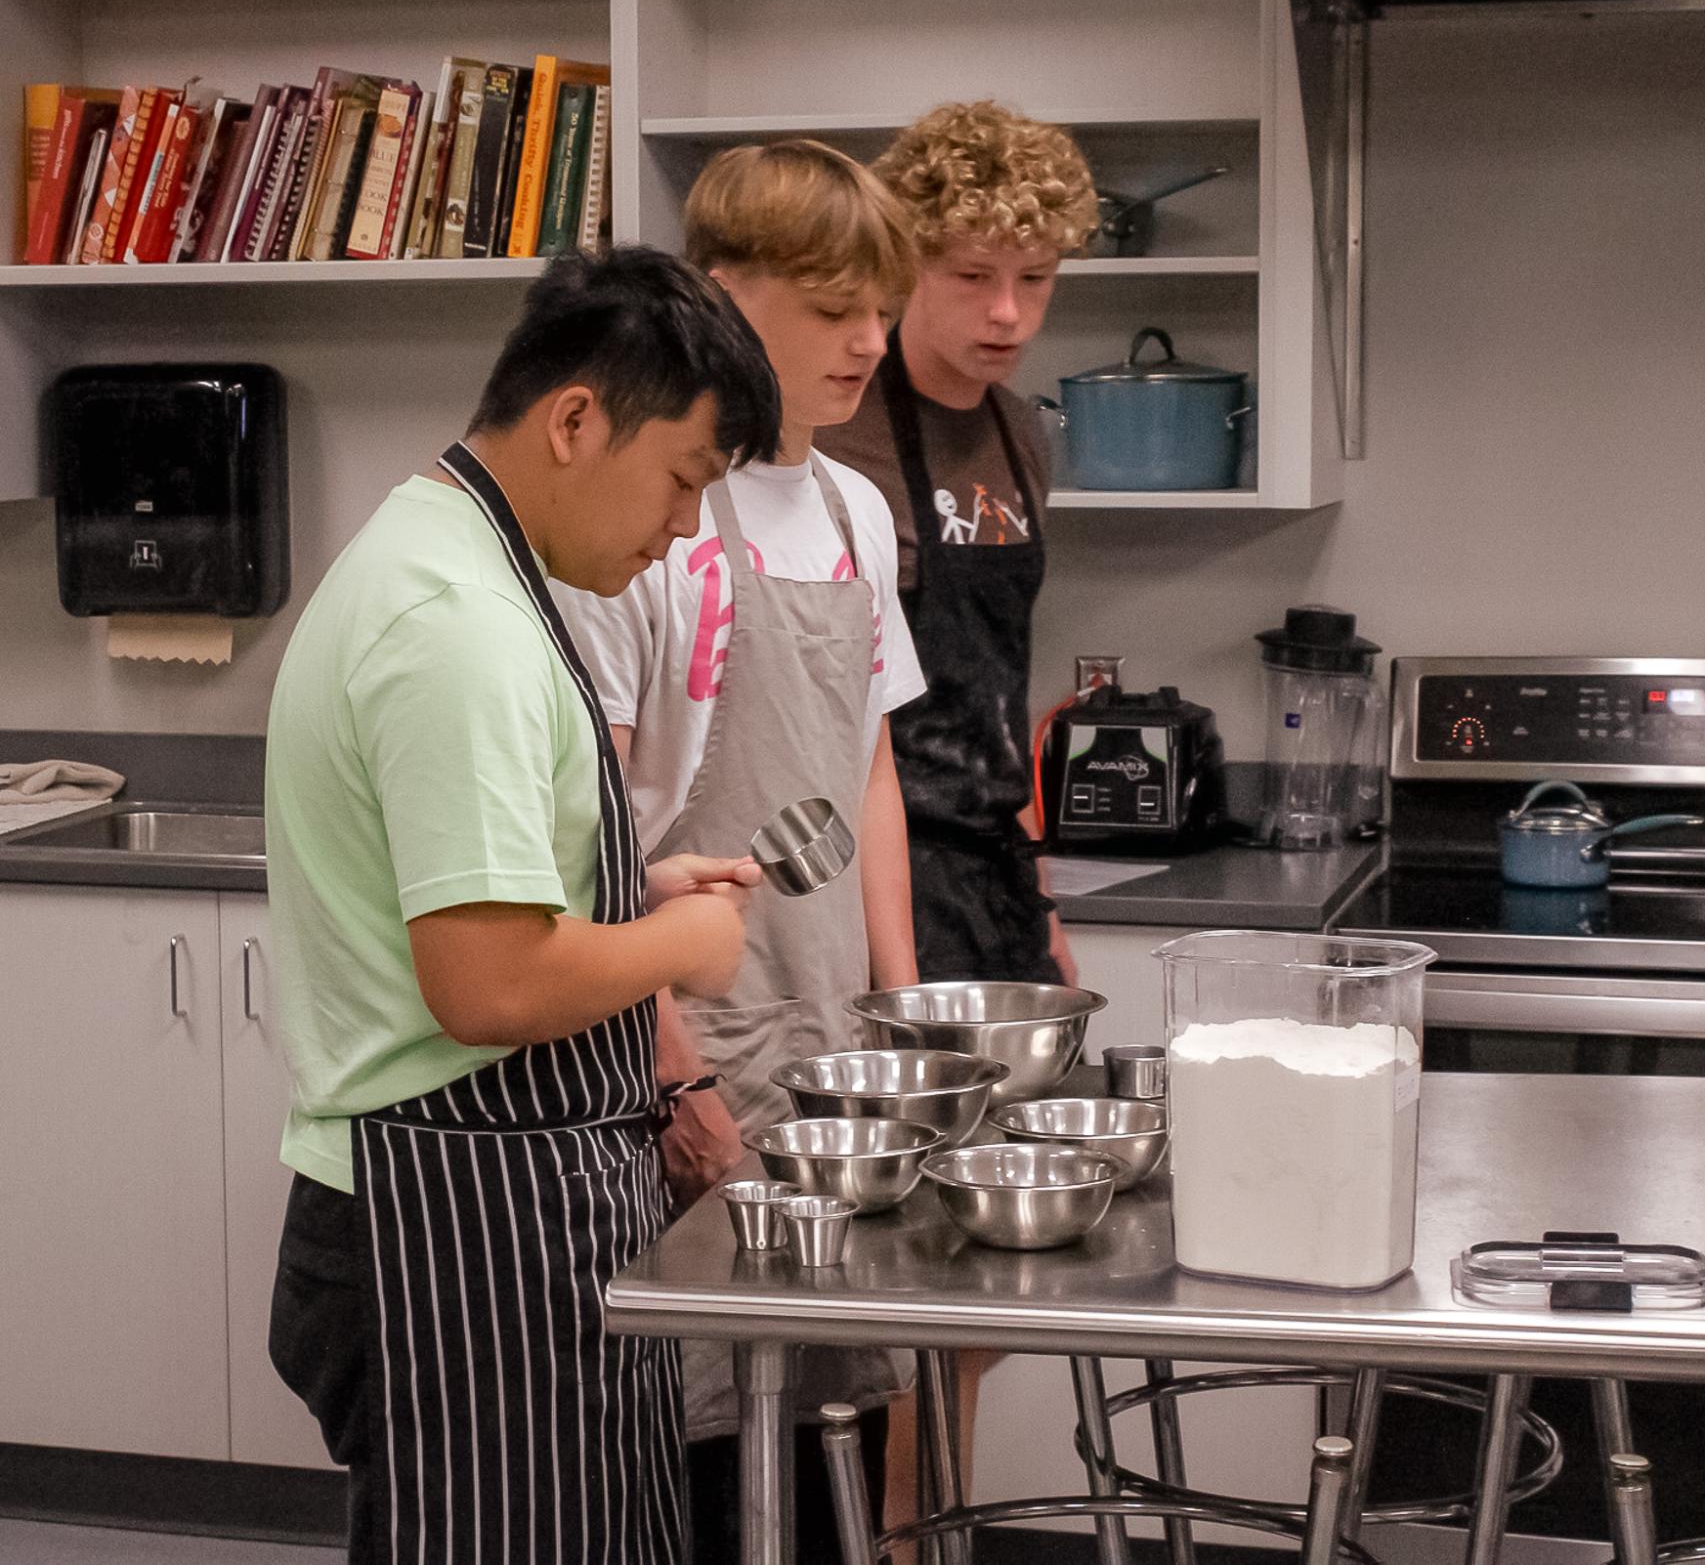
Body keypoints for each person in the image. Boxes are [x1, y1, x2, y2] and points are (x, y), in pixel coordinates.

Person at [262, 247, 782, 1564]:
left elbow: (454, 890)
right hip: (451, 1228)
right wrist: (686, 939)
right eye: (682, 482)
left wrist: (627, 883)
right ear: (574, 420)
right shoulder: (458, 626)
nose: (681, 532)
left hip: (483, 1211)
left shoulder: (452, 555)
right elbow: (485, 986)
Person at [553, 140, 924, 1563]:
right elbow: (591, 841)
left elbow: (865, 760)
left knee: (842, 1406)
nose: (868, 342)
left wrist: (902, 1014)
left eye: (878, 308)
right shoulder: (656, 518)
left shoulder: (853, 509)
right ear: (723, 295)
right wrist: (676, 1069)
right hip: (688, 1025)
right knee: (710, 1429)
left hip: (832, 1025)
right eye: (834, 305)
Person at [817, 99, 1099, 990]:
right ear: (907, 266)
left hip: (997, 870)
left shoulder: (1023, 433)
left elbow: (999, 693)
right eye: (973, 276)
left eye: (1037, 279)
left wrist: (1041, 906)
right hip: (874, 869)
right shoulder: (834, 430)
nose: (1008, 313)